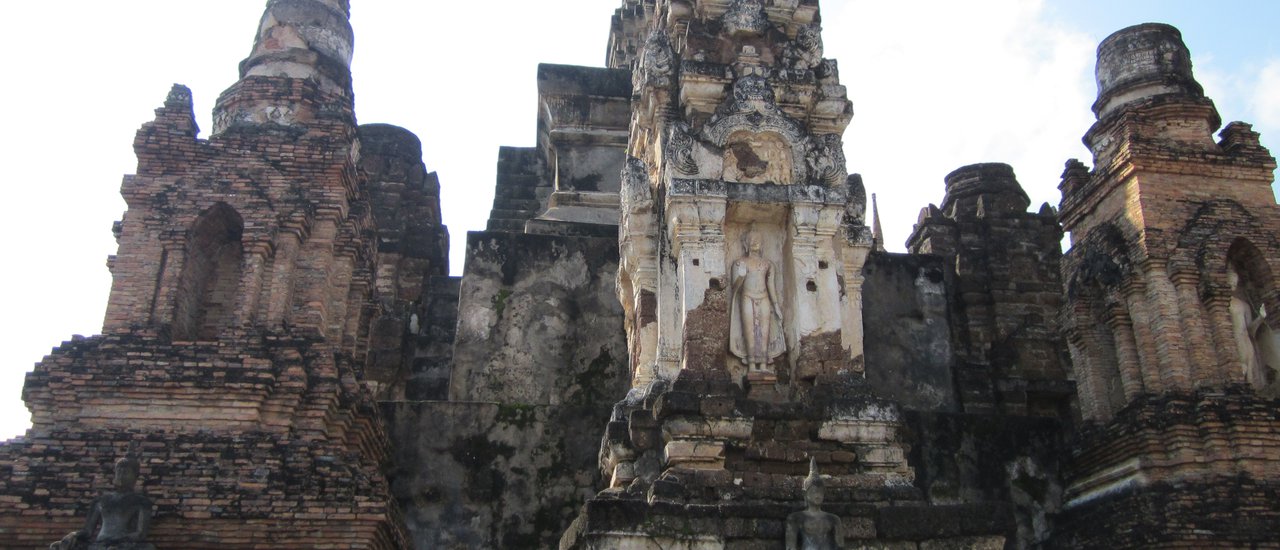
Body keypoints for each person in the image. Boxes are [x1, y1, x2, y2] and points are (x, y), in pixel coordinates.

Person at [730, 230, 786, 371]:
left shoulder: (767, 264)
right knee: (749, 331)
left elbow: (771, 286)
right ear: (745, 243)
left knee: (764, 331)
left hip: (764, 297)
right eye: (752, 239)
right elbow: (735, 288)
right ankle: (752, 365)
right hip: (747, 297)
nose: (755, 242)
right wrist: (741, 276)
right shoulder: (740, 263)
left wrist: (776, 306)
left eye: (758, 239)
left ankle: (763, 364)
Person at [786, 458, 843, 550]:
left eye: (820, 492)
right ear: (805, 494)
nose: (817, 495)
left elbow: (840, 546)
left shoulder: (834, 519)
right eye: (813, 491)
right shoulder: (796, 518)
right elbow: (790, 547)